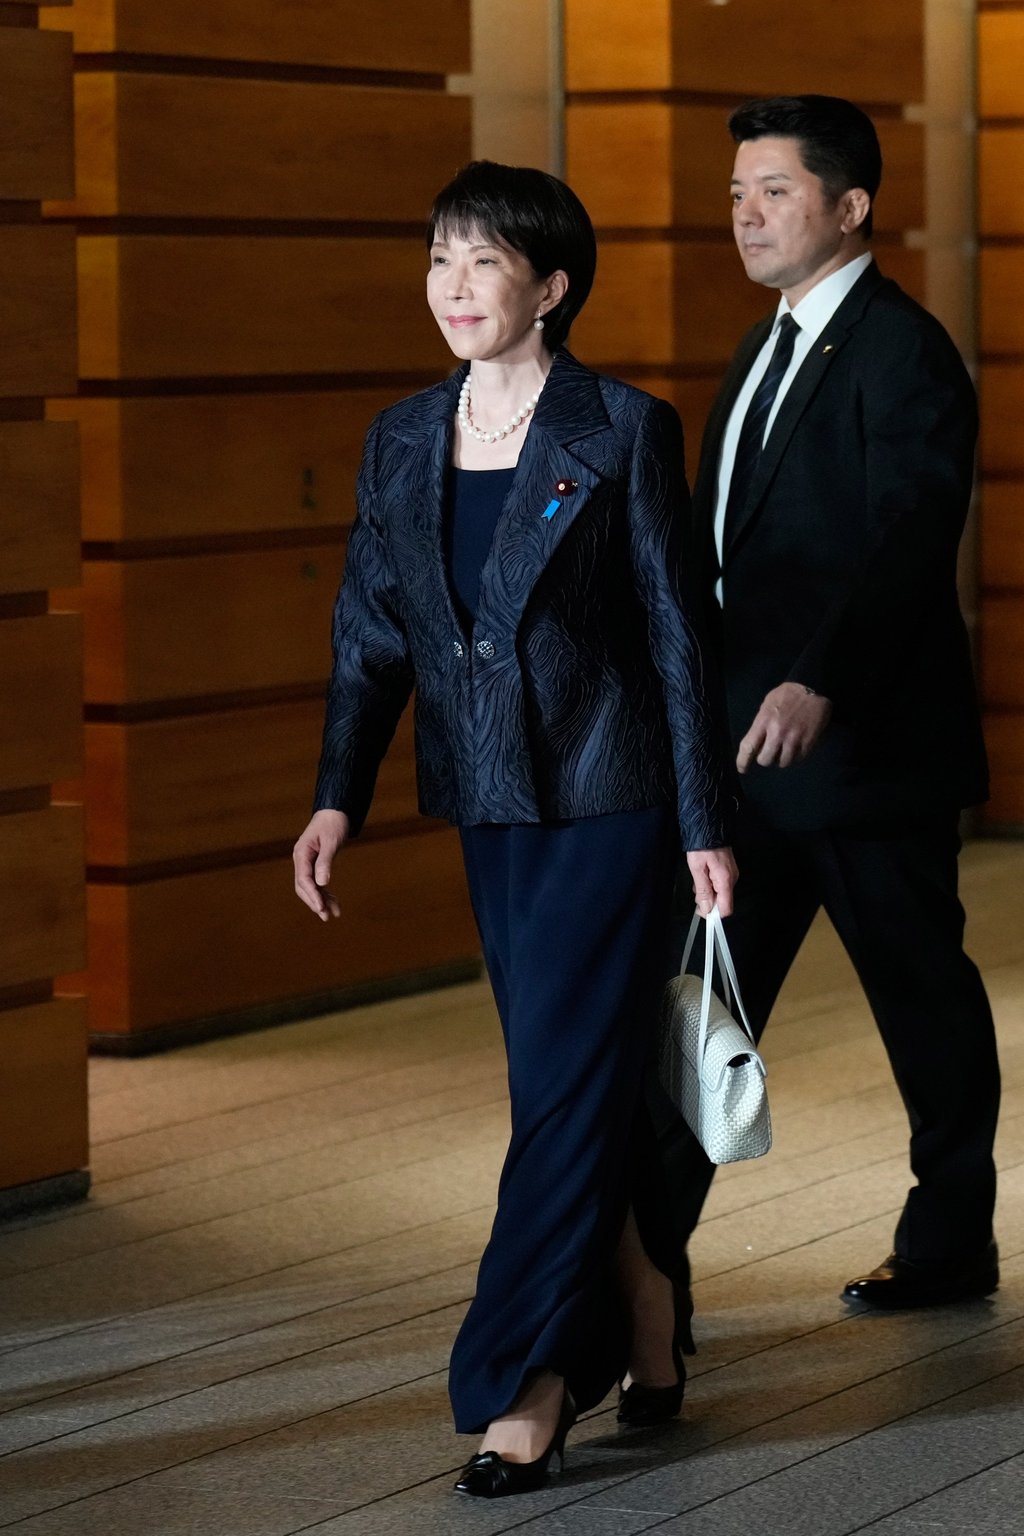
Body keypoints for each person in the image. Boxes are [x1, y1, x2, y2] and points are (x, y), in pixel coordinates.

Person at [293, 160, 737, 1499]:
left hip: (616, 801)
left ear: (550, 288)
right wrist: (334, 792)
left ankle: (525, 1386)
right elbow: (374, 632)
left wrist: (707, 824)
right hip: (491, 802)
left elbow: (676, 634)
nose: (452, 287)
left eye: (483, 263)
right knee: (566, 1083)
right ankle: (648, 1305)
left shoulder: (619, 428)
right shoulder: (402, 439)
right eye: (439, 259)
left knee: (555, 1093)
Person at [658, 95, 1000, 1315]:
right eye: (736, 192)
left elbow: (910, 535)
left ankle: (951, 1241)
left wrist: (821, 676)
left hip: (862, 756)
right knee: (705, 1004)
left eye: (775, 192)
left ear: (849, 207)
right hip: (748, 759)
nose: (745, 215)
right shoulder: (763, 345)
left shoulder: (902, 351)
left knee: (920, 1001)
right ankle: (651, 1263)